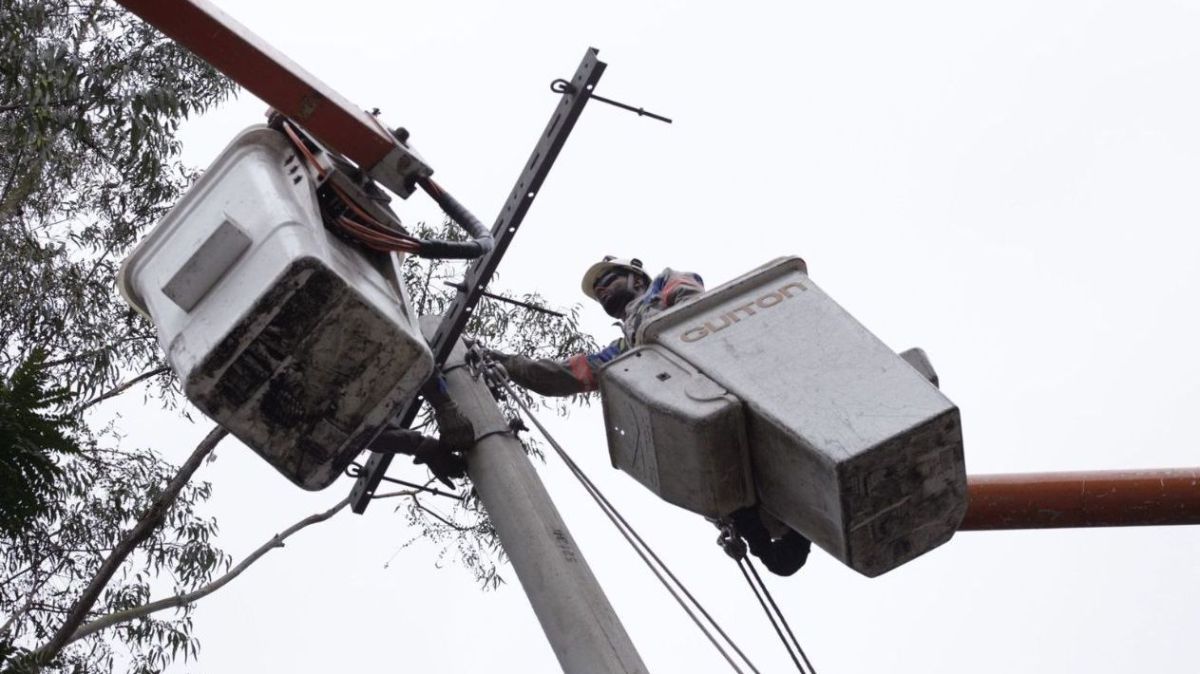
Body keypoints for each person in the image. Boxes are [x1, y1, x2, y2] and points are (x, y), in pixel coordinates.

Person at [482, 255, 811, 576]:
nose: (602, 291)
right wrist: (510, 365)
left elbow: (693, 300)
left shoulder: (664, 287)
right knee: (780, 560)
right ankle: (761, 521)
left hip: (729, 395)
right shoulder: (627, 350)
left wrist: (668, 324)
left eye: (608, 281)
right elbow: (569, 374)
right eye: (598, 292)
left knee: (782, 539)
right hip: (717, 443)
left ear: (637, 279)